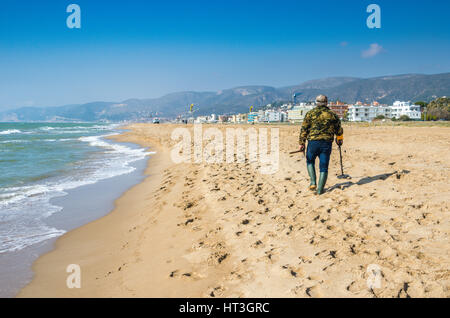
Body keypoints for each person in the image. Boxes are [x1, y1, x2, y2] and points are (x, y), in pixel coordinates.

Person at [298, 95, 344, 195]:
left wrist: (301, 143)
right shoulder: (332, 114)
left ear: (316, 102)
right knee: (324, 167)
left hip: (313, 142)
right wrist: (339, 139)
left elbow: (304, 129)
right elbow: (339, 130)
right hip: (326, 143)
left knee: (310, 161)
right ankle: (320, 190)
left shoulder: (310, 113)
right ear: (326, 103)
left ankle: (313, 182)